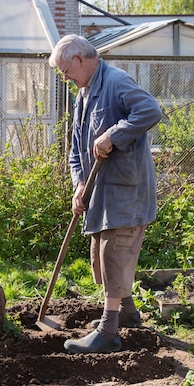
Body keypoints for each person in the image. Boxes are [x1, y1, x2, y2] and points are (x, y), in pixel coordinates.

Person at [49, 34, 163, 354]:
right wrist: (78, 185)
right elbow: (74, 151)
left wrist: (113, 134)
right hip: (99, 191)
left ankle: (109, 331)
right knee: (100, 254)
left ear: (80, 59)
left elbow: (151, 110)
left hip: (126, 189)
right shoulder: (83, 96)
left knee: (114, 251)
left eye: (65, 70)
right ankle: (127, 312)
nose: (65, 77)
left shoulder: (116, 82)